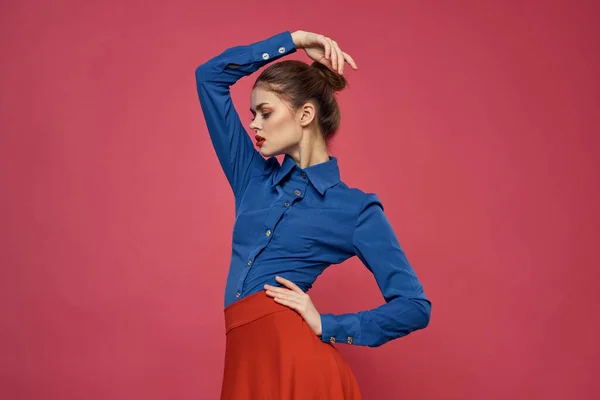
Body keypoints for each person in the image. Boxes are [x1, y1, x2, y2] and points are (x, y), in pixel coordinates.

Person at [195, 29, 431, 400]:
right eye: (252, 114)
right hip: (247, 362)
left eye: (265, 112)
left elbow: (414, 306)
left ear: (306, 114)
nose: (254, 124)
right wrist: (294, 40)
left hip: (302, 369)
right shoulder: (251, 178)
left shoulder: (355, 209)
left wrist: (328, 325)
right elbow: (209, 77)